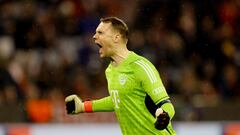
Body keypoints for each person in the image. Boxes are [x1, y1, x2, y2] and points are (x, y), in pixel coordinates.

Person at [65, 17, 176, 135]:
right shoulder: (110, 70)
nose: (94, 36)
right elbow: (119, 99)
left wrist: (165, 116)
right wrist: (83, 107)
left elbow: (166, 103)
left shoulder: (141, 67)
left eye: (100, 33)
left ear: (116, 37)